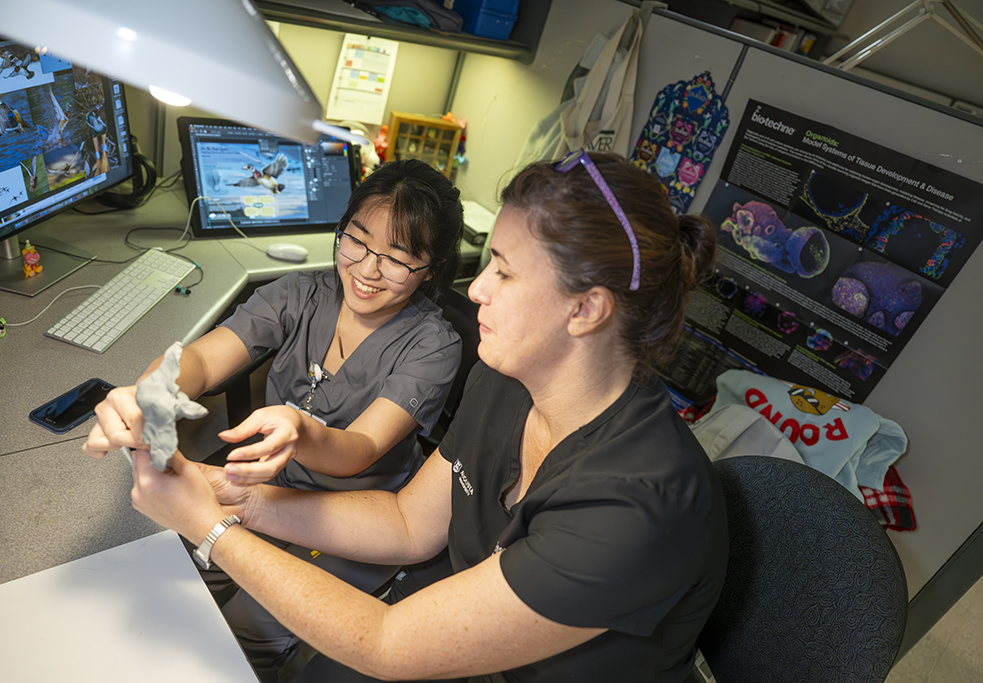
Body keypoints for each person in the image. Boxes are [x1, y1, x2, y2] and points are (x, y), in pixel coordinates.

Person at [93, 151, 728, 682]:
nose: (475, 289)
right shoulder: (510, 382)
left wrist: (209, 528)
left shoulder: (638, 507)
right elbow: (406, 524)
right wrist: (239, 500)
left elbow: (388, 644)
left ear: (586, 310)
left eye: (502, 273)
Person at [84, 158, 465, 680]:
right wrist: (150, 395)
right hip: (269, 487)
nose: (367, 269)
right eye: (355, 240)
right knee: (167, 579)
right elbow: (199, 360)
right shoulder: (300, 294)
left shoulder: (433, 346)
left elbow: (360, 449)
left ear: (432, 268)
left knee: (246, 635)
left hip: (354, 516)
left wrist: (302, 428)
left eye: (398, 258)